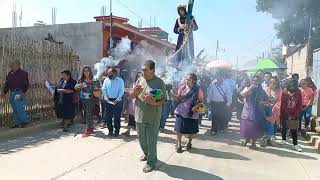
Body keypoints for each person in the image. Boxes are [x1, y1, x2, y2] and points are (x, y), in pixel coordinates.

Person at [129, 60, 165, 173]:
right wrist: (134, 92)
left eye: (145, 70)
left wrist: (152, 102)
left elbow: (161, 101)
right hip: (139, 116)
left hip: (153, 117)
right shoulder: (139, 80)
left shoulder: (160, 82)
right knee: (142, 140)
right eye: (142, 69)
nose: (142, 72)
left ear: (153, 70)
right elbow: (131, 96)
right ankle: (146, 154)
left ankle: (151, 162)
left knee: (151, 141)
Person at [174, 73, 204, 153]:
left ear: (194, 81)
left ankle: (189, 142)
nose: (186, 81)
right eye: (186, 79)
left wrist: (196, 106)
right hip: (181, 111)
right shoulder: (182, 87)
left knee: (191, 130)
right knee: (179, 129)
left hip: (192, 113)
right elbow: (178, 98)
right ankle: (179, 144)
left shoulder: (198, 90)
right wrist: (174, 95)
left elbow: (201, 102)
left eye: (188, 80)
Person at [240, 75, 268, 149]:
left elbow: (267, 100)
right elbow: (242, 94)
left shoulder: (262, 91)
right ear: (251, 81)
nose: (255, 82)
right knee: (246, 127)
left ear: (259, 82)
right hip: (247, 111)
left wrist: (263, 102)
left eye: (257, 80)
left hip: (258, 112)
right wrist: (250, 88)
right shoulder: (247, 88)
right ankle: (246, 139)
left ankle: (254, 143)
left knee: (255, 128)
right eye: (254, 80)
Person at [1, 60, 30, 128]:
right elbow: (7, 84)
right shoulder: (10, 74)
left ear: (17, 65)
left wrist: (23, 92)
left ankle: (24, 121)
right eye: (11, 65)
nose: (11, 66)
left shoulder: (23, 73)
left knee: (19, 107)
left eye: (12, 64)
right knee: (14, 108)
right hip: (12, 93)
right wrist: (4, 92)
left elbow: (26, 84)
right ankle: (17, 123)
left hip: (19, 92)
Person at [75, 66, 100, 137]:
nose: (85, 72)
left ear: (90, 72)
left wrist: (94, 85)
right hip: (82, 99)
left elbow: (98, 90)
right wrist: (80, 85)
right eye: (84, 71)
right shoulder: (81, 79)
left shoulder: (94, 79)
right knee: (87, 113)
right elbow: (75, 87)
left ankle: (87, 129)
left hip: (91, 99)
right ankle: (91, 127)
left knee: (88, 114)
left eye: (87, 71)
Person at [280, 78, 302, 152]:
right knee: (284, 127)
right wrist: (288, 115)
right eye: (291, 85)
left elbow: (299, 105)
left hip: (294, 114)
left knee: (294, 129)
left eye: (294, 85)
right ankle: (283, 139)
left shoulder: (299, 93)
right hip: (285, 113)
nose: (292, 87)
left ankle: (295, 144)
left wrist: (294, 115)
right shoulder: (284, 92)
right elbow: (283, 104)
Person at [102, 67, 125, 137]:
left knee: (117, 117)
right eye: (108, 73)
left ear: (115, 73)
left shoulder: (120, 80)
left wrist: (117, 99)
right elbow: (104, 89)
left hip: (117, 100)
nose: (108, 74)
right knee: (108, 117)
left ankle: (117, 131)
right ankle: (110, 130)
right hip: (108, 100)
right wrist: (105, 98)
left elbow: (121, 90)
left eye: (110, 73)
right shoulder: (106, 80)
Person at [261, 76, 282, 147]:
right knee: (264, 125)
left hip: (273, 111)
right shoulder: (265, 89)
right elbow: (261, 99)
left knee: (271, 126)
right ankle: (263, 140)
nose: (272, 84)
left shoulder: (279, 91)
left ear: (277, 83)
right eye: (271, 82)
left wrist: (275, 108)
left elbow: (280, 101)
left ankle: (269, 139)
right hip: (265, 110)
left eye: (274, 83)